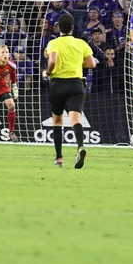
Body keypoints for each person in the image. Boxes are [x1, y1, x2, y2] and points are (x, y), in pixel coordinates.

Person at [45, 14, 97, 169]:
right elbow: (92, 64)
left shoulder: (53, 43)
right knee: (75, 120)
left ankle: (59, 157)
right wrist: (76, 62)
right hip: (76, 84)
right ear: (72, 27)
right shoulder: (81, 43)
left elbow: (52, 60)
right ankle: (80, 146)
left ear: (58, 27)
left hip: (58, 85)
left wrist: (47, 72)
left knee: (57, 121)